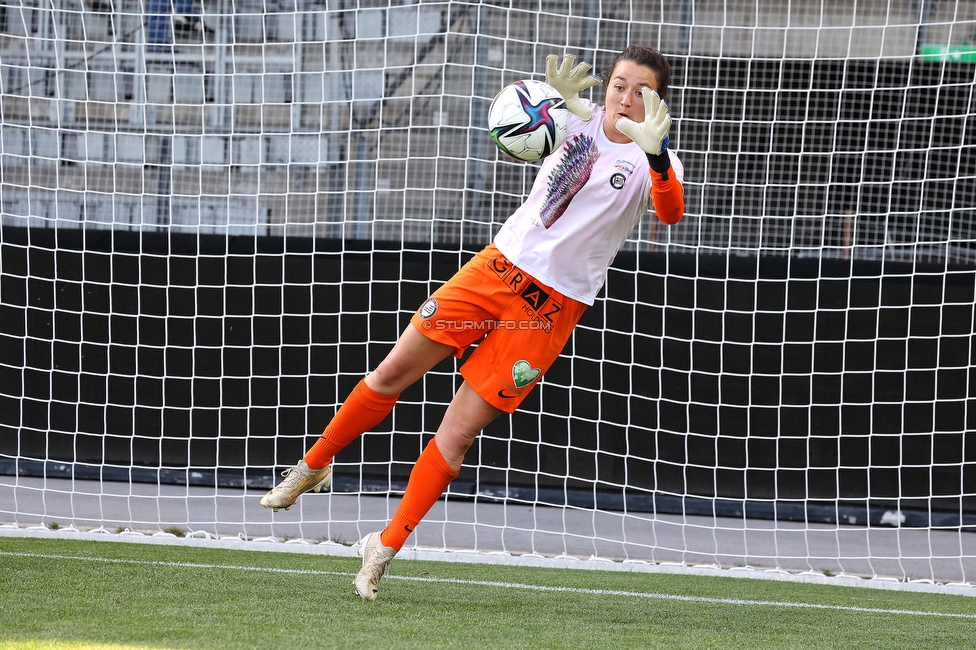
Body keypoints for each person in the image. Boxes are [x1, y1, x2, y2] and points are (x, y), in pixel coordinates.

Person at [260, 44, 685, 601]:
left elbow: (671, 210)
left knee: (457, 433)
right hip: (496, 271)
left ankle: (382, 548)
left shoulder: (659, 162)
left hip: (550, 310)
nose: (625, 99)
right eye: (619, 84)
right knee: (391, 373)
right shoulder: (565, 121)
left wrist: (655, 158)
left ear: (657, 102)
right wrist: (552, 106)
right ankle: (312, 466)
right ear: (606, 85)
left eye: (640, 91)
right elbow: (518, 130)